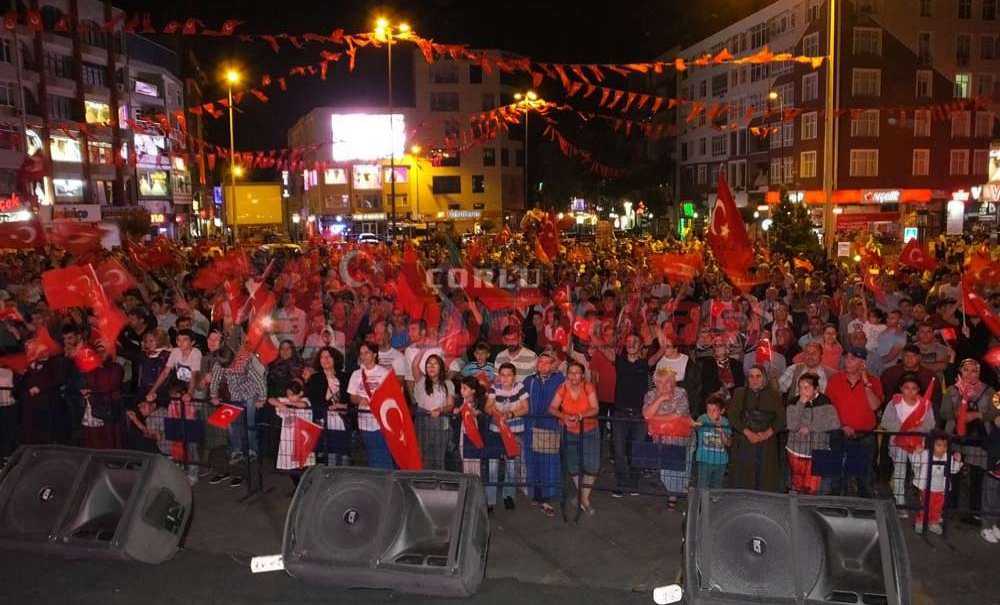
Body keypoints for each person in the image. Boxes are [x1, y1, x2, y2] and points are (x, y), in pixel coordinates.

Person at [942, 359, 997, 523]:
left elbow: (994, 412)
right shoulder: (952, 390)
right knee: (953, 473)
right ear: (960, 372)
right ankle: (950, 507)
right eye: (966, 370)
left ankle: (974, 511)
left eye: (975, 371)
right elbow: (944, 413)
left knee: (977, 475)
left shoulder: (989, 391)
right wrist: (958, 412)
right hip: (954, 437)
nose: (970, 374)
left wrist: (977, 415)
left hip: (978, 439)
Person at [825, 347, 883, 497]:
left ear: (862, 362)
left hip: (864, 436)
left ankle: (865, 510)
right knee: (837, 477)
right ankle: (836, 509)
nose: (847, 361)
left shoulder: (874, 381)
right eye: (846, 358)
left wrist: (865, 380)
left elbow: (875, 406)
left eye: (853, 359)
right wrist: (841, 426)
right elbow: (828, 408)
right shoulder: (835, 380)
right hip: (839, 434)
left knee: (865, 478)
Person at [209, 346, 267, 489]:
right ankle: (237, 451)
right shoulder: (219, 363)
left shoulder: (245, 361)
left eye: (229, 364)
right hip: (234, 396)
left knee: (250, 425)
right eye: (225, 366)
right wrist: (213, 395)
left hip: (249, 395)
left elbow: (259, 380)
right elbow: (215, 379)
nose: (228, 368)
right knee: (232, 426)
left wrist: (262, 398)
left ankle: (253, 450)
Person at [880, 373, 936, 516]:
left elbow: (930, 424)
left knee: (920, 472)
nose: (910, 391)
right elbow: (885, 421)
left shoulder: (925, 404)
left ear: (919, 390)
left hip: (917, 444)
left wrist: (915, 430)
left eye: (914, 388)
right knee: (899, 472)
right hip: (898, 442)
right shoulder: (894, 403)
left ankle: (923, 503)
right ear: (900, 388)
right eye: (906, 388)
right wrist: (903, 429)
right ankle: (900, 503)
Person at [549, 361, 600, 515]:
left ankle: (582, 498)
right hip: (569, 431)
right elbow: (551, 408)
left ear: (583, 375)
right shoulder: (562, 388)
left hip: (589, 430)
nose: (573, 376)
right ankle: (584, 500)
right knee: (572, 465)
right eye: (571, 372)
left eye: (577, 372)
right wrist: (563, 416)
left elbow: (595, 408)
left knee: (592, 465)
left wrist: (579, 416)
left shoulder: (588, 387)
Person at [728, 365, 785, 492]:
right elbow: (732, 416)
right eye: (751, 376)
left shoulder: (774, 395)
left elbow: (781, 419)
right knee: (742, 478)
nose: (754, 380)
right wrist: (748, 433)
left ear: (764, 378)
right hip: (744, 441)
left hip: (767, 443)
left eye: (758, 376)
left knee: (765, 478)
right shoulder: (739, 393)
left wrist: (766, 434)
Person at [643, 367, 693, 510]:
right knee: (666, 470)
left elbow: (677, 416)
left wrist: (656, 420)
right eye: (661, 382)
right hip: (662, 439)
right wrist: (660, 399)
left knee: (682, 469)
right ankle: (674, 492)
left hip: (682, 437)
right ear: (655, 383)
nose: (666, 385)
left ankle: (675, 495)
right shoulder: (651, 395)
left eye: (669, 381)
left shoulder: (681, 393)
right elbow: (646, 415)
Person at [523, 349, 565, 517]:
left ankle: (546, 497)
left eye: (547, 362)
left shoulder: (559, 380)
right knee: (532, 461)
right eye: (540, 362)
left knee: (548, 461)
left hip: (549, 425)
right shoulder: (529, 381)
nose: (542, 365)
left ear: (553, 365)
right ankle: (535, 494)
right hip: (531, 425)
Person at [612, 333, 654, 497]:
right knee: (619, 451)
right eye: (628, 341)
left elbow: (663, 349)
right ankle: (622, 483)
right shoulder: (619, 362)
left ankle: (634, 483)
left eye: (635, 341)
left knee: (637, 450)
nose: (631, 344)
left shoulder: (645, 363)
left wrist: (656, 330)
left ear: (640, 346)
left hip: (639, 415)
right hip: (620, 413)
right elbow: (600, 345)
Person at [785, 373, 840, 495]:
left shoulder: (825, 402)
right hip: (796, 450)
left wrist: (810, 427)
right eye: (800, 387)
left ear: (816, 389)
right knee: (796, 486)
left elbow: (834, 423)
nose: (803, 391)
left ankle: (811, 510)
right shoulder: (793, 403)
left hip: (819, 450)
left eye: (807, 387)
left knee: (815, 488)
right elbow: (792, 425)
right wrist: (801, 404)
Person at [485, 362, 528, 510]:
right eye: (502, 375)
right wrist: (497, 414)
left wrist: (510, 414)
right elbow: (487, 406)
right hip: (496, 431)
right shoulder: (494, 388)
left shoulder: (520, 388)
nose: (505, 378)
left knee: (511, 465)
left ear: (514, 377)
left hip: (514, 431)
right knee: (492, 466)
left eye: (509, 375)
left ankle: (508, 495)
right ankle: (490, 499)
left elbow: (526, 408)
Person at [347, 341, 393, 469]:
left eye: (367, 353)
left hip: (381, 422)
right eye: (361, 353)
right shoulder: (356, 375)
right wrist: (360, 399)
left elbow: (391, 397)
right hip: (364, 422)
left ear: (374, 354)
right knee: (372, 454)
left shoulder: (384, 373)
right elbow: (352, 397)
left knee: (383, 453)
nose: (364, 356)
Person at [304, 347, 349, 466]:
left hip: (344, 421)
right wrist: (328, 399)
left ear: (335, 358)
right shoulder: (315, 378)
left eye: (329, 356)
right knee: (331, 456)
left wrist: (343, 405)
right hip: (325, 421)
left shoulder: (345, 377)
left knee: (344, 457)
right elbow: (314, 400)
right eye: (323, 357)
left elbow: (349, 398)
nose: (326, 359)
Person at [911, 432, 962, 535]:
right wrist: (917, 453)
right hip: (926, 486)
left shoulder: (947, 457)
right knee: (925, 505)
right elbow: (916, 464)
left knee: (937, 506)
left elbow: (953, 470)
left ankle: (934, 522)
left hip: (941, 487)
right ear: (931, 445)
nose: (942, 448)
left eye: (945, 445)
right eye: (939, 445)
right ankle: (920, 522)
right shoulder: (925, 454)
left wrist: (957, 461)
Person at [413, 354, 454, 471]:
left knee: (438, 455)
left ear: (441, 367)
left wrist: (440, 410)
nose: (431, 366)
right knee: (422, 453)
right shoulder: (421, 380)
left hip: (440, 421)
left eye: (435, 364)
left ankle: (438, 481)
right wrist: (424, 348)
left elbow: (450, 405)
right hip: (422, 420)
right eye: (428, 364)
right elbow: (415, 365)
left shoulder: (448, 383)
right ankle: (423, 480)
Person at [144, 329, 202, 403]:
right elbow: (165, 372)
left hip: (196, 383)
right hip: (181, 383)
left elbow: (194, 375)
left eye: (184, 340)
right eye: (178, 340)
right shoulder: (175, 351)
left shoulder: (196, 353)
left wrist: (189, 393)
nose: (181, 343)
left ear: (192, 342)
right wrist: (152, 391)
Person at [693, 394, 731, 489]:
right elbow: (695, 426)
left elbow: (728, 443)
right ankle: (702, 502)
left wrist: (721, 431)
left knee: (717, 485)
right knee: (702, 484)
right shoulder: (703, 418)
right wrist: (696, 424)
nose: (710, 413)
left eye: (714, 410)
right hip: (704, 459)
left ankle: (714, 502)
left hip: (720, 461)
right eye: (708, 410)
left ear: (722, 411)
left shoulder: (725, 422)